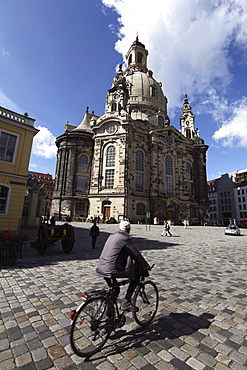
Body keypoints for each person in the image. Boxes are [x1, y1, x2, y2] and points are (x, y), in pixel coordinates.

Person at [96, 220, 150, 312]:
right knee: (136, 276)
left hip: (102, 267)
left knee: (115, 291)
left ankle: (109, 317)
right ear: (129, 229)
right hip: (111, 269)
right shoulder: (124, 238)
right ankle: (126, 302)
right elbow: (135, 254)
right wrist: (145, 265)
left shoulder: (112, 235)